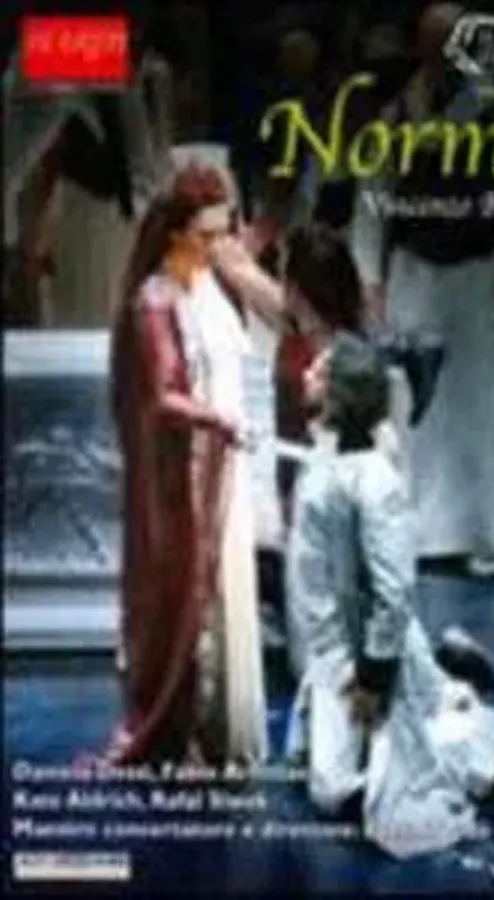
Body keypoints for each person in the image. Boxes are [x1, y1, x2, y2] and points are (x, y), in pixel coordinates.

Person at [284, 331, 494, 860]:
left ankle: (463, 707)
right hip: (336, 642)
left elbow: (392, 590)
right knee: (326, 781)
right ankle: (439, 685)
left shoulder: (375, 481)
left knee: (347, 790)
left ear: (340, 392)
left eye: (319, 371)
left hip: (375, 649)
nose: (306, 374)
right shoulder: (324, 464)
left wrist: (372, 676)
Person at [351, 2, 494, 573]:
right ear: (420, 48)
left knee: (490, 404)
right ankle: (426, 534)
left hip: (484, 274)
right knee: (421, 406)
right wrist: (371, 278)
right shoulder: (398, 115)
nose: (443, 55)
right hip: (418, 272)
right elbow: (372, 198)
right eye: (433, 43)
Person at [107, 164, 270, 766]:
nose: (217, 246)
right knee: (195, 597)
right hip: (190, 470)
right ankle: (191, 732)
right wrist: (221, 422)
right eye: (206, 235)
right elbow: (162, 397)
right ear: (176, 232)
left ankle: (225, 731)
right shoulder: (156, 300)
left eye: (224, 233)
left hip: (224, 465)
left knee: (226, 589)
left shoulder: (206, 287)